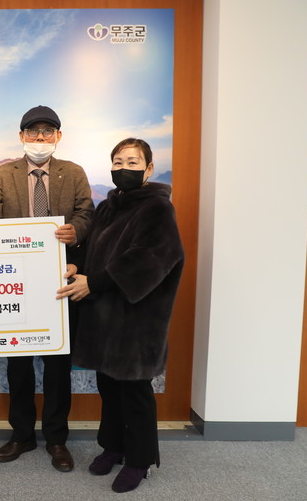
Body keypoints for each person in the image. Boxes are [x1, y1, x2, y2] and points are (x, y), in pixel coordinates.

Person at [57, 138, 184, 493]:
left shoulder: (157, 208)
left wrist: (94, 282)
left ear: (148, 168)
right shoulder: (107, 207)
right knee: (109, 386)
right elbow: (93, 249)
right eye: (117, 162)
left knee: (135, 391)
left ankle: (141, 460)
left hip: (137, 319)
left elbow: (149, 259)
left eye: (132, 162)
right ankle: (113, 446)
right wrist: (76, 265)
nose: (123, 168)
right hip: (104, 316)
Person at [0, 105, 94, 472]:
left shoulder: (73, 172)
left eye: (48, 131)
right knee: (18, 365)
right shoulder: (3, 174)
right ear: (21, 136)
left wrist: (77, 230)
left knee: (58, 367)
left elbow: (87, 213)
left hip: (61, 280)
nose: (41, 138)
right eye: (33, 131)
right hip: (16, 285)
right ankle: (22, 435)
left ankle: (57, 439)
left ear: (58, 137)